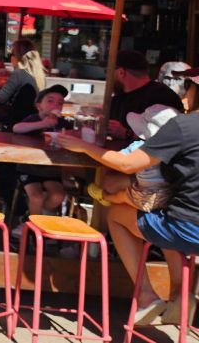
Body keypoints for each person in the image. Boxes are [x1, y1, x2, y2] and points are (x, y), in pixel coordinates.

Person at [58, 97, 199, 326]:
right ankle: (181, 295)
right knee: (163, 217)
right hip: (183, 223)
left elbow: (127, 164)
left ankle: (146, 296)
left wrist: (83, 146)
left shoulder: (184, 125)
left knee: (116, 215)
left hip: (188, 228)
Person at [10, 85, 73, 236]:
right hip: (29, 168)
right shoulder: (33, 119)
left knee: (58, 195)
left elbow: (75, 135)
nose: (55, 105)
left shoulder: (63, 124)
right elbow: (17, 128)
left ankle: (36, 218)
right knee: (36, 196)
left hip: (51, 169)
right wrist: (43, 124)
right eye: (50, 101)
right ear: (39, 105)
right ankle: (32, 227)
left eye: (60, 103)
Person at [89, 104, 179, 208]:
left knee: (122, 196)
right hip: (169, 192)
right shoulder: (177, 147)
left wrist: (86, 147)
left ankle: (104, 197)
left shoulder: (139, 146)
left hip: (147, 197)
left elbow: (119, 160)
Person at [108, 50, 184, 140]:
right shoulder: (118, 99)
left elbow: (171, 138)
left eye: (109, 71)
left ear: (121, 72)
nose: (108, 75)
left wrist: (127, 133)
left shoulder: (162, 96)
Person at [0, 38, 47, 131]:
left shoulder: (18, 73)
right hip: (33, 122)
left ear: (17, 57)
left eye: (12, 54)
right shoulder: (41, 76)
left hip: (15, 123)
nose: (10, 58)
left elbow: (0, 99)